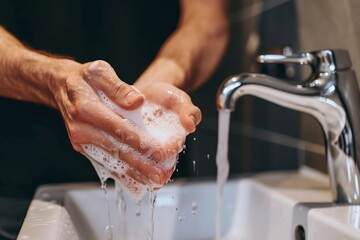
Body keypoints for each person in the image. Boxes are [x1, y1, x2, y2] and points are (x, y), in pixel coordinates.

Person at [0, 0, 229, 238]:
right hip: (22, 188)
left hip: (156, 178)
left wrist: (161, 81)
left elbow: (207, 24)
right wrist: (52, 79)